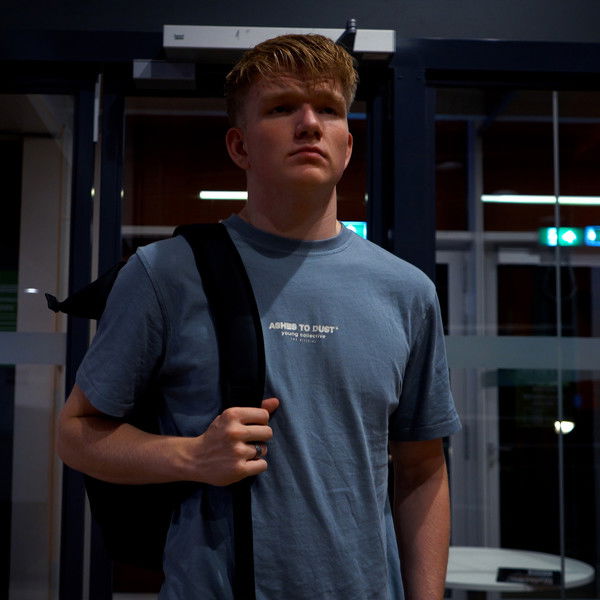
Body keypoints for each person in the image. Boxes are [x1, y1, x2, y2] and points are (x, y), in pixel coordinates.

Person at [57, 34, 460, 599]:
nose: (309, 124)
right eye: (281, 108)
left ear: (347, 145)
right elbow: (76, 432)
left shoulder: (406, 291)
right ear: (239, 146)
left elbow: (421, 468)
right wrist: (191, 456)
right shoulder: (164, 273)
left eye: (328, 109)